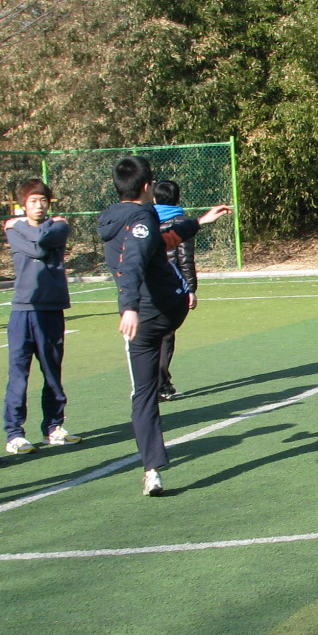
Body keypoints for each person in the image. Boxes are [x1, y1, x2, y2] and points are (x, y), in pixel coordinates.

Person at [96, 156, 230, 496]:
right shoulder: (144, 215)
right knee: (146, 388)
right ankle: (152, 470)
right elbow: (134, 260)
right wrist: (129, 307)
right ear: (147, 187)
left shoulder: (111, 219)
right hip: (162, 310)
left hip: (145, 319)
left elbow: (159, 242)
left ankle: (151, 469)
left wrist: (198, 222)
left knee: (142, 395)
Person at [1, 180, 79, 454]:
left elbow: (42, 244)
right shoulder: (17, 230)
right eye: (33, 201)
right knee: (18, 373)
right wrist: (20, 228)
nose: (39, 205)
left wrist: (17, 225)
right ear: (23, 204)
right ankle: (14, 433)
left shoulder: (58, 226)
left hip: (51, 308)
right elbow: (38, 250)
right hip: (23, 309)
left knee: (52, 372)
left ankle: (53, 427)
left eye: (43, 200)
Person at [151, 179, 201, 402]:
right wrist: (190, 289)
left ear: (154, 198)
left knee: (150, 335)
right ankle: (161, 384)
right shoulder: (181, 222)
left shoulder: (147, 219)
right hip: (171, 286)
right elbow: (185, 259)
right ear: (178, 198)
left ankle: (154, 383)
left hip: (149, 285)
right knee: (166, 335)